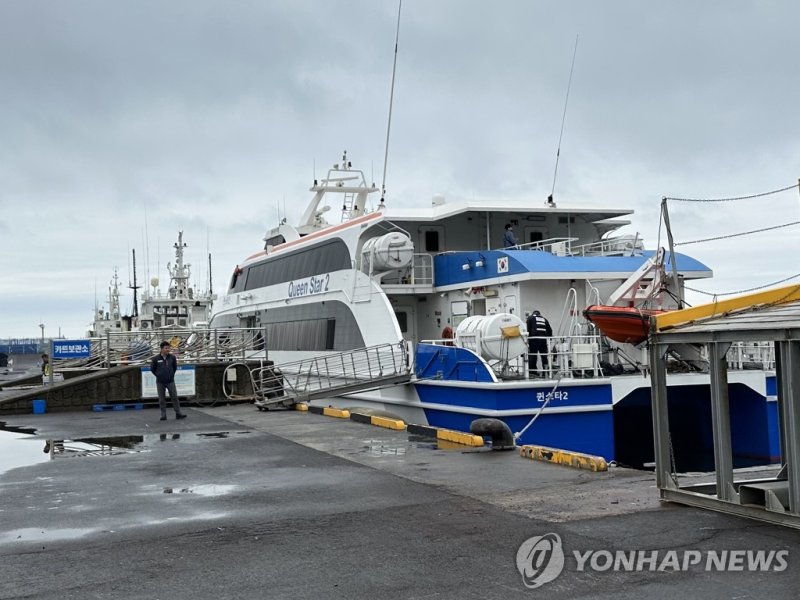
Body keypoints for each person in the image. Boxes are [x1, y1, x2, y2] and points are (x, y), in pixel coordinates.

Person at [150, 341, 186, 421]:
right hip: (160, 382)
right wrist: (159, 375)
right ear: (161, 349)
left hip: (170, 381)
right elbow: (152, 369)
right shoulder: (156, 358)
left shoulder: (172, 357)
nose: (168, 350)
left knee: (175, 397)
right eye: (166, 348)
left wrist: (171, 375)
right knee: (162, 399)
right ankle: (163, 415)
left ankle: (178, 413)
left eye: (168, 348)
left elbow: (174, 368)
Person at [526, 310, 553, 377]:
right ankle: (546, 372)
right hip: (543, 340)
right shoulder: (544, 319)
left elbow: (528, 330)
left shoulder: (530, 318)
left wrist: (527, 341)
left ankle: (533, 372)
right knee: (544, 357)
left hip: (534, 340)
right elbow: (550, 330)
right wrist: (549, 340)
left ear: (533, 313)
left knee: (533, 356)